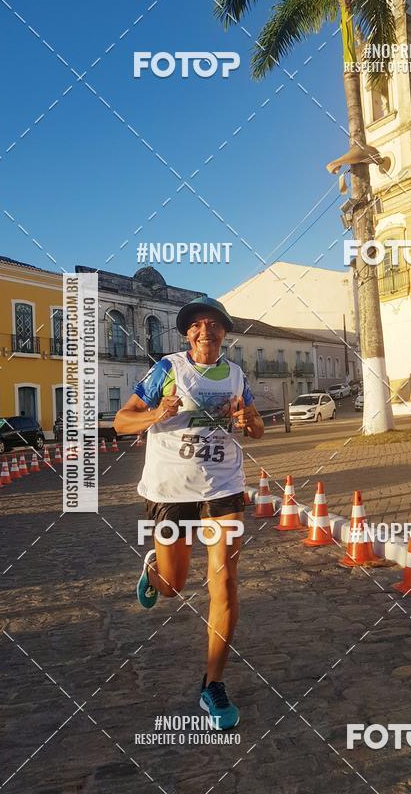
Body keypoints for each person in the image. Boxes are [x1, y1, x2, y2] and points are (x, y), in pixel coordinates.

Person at [114, 295, 264, 729]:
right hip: (171, 490)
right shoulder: (167, 369)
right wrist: (156, 414)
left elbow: (256, 427)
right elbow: (121, 419)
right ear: (187, 334)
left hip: (224, 488)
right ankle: (153, 571)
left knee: (226, 583)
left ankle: (212, 685)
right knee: (173, 587)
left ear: (224, 333)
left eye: (213, 324)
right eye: (197, 325)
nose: (205, 331)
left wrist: (247, 421)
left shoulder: (236, 375)